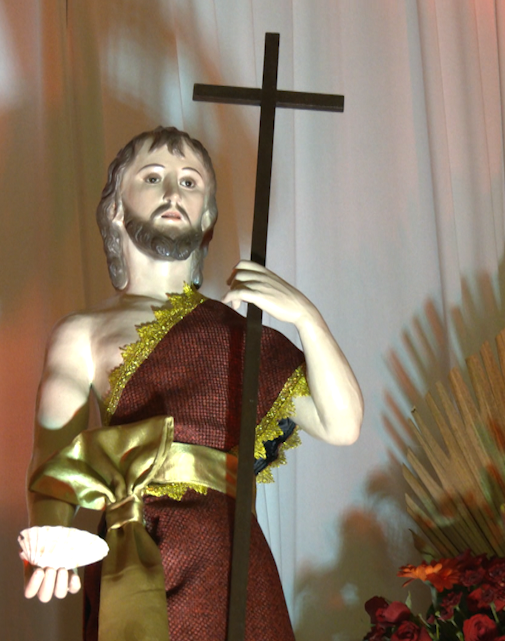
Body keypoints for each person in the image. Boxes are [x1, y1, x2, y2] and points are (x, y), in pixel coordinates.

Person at [24, 126, 363, 640]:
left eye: (189, 182)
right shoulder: (83, 333)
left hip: (230, 560)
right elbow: (54, 458)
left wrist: (306, 317)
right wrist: (49, 530)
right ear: (115, 208)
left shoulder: (239, 334)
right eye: (152, 177)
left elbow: (342, 424)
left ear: (207, 217)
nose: (172, 193)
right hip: (135, 551)